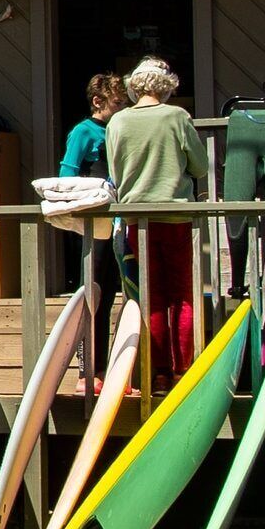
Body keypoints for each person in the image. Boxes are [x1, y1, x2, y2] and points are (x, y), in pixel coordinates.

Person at [101, 59, 204, 375]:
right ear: (166, 86)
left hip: (136, 219)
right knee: (181, 296)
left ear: (134, 87)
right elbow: (200, 166)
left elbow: (115, 173)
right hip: (175, 215)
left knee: (151, 297)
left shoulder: (117, 122)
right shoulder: (177, 117)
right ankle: (182, 370)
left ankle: (156, 374)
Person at [57, 72, 121, 184]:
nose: (123, 108)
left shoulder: (118, 129)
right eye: (117, 103)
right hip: (93, 196)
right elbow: (68, 171)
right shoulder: (83, 131)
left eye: (125, 103)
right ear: (97, 102)